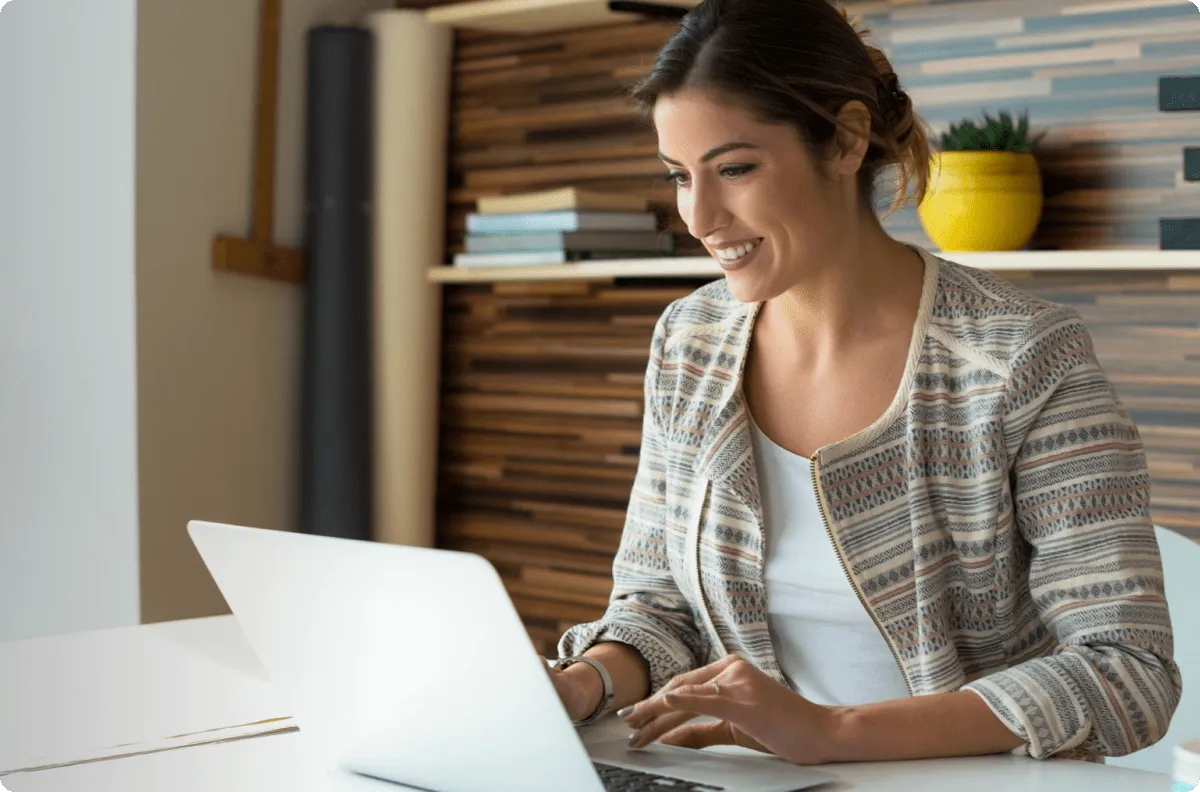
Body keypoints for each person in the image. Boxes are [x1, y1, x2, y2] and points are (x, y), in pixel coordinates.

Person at [544, 0, 1183, 767]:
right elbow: (658, 610)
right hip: (752, 783)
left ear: (846, 140)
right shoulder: (692, 342)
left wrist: (830, 734)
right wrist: (581, 685)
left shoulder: (1022, 358)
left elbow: (1128, 671)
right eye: (680, 177)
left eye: (736, 169)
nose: (701, 216)